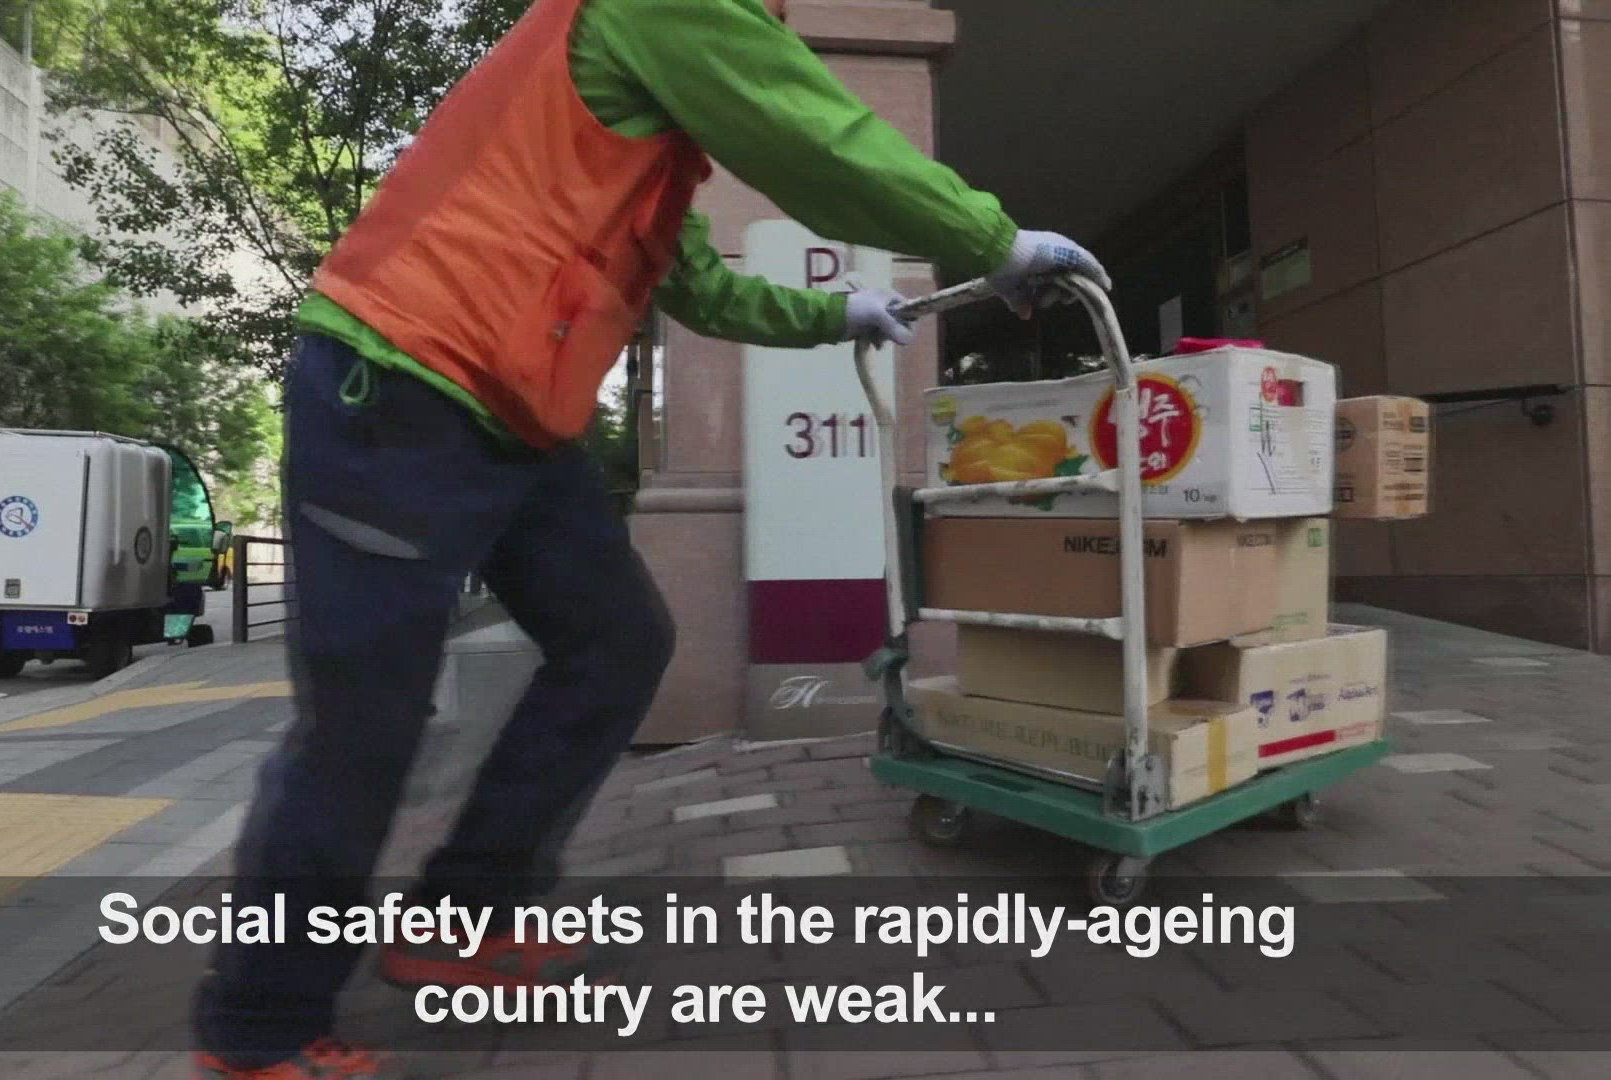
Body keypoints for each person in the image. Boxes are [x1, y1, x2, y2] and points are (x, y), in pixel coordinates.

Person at [192, 0, 1110, 1074]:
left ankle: (463, 916)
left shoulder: (651, 126)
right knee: (362, 727)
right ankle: (255, 1031)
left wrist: (837, 314)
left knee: (618, 641)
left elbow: (695, 284)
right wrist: (992, 241)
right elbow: (818, 137)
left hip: (513, 417)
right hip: (397, 388)